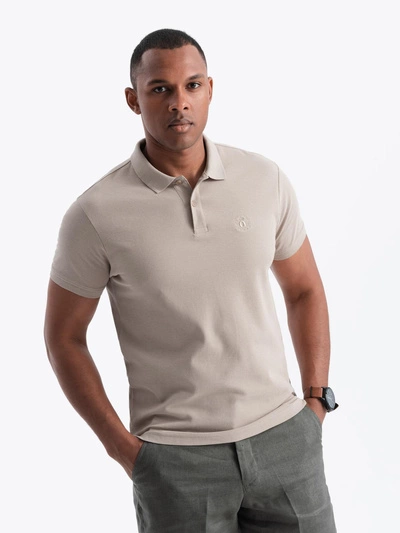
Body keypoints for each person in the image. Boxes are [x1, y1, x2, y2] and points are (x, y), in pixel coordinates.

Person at [44, 28, 338, 532]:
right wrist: (124, 450)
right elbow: (63, 338)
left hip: (286, 440)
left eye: (192, 85)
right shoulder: (95, 213)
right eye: (160, 88)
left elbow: (304, 289)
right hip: (176, 462)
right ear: (133, 100)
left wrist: (316, 401)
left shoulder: (263, 179)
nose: (179, 102)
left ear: (210, 89)